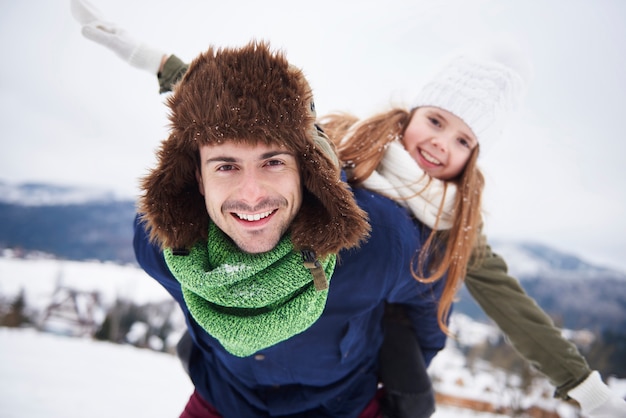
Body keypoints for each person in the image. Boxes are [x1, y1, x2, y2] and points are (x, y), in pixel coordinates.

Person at [70, 2, 626, 417]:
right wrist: (160, 65)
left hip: (340, 367)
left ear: (473, 155)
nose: (440, 144)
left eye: (463, 140)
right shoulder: (346, 139)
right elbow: (250, 117)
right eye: (436, 121)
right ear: (412, 112)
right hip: (243, 360)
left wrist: (581, 384)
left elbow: (510, 306)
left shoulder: (455, 225)